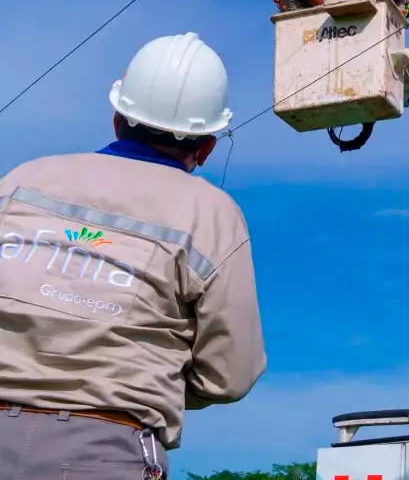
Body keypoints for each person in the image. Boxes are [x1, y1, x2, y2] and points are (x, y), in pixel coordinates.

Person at [0, 32, 266, 479]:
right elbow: (230, 374)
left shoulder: (23, 181)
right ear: (206, 147)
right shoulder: (212, 213)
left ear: (117, 118)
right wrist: (152, 376)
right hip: (102, 450)